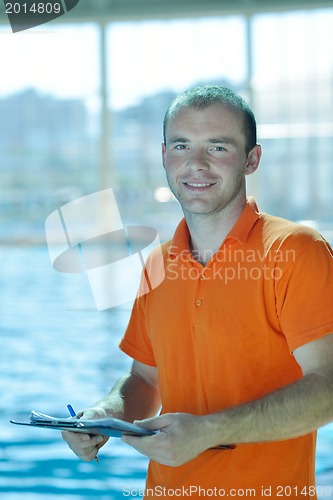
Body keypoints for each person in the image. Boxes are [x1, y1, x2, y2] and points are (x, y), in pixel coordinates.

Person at [62, 85, 333, 498]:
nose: (196, 164)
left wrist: (208, 431)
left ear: (251, 159)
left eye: (218, 147)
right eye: (182, 145)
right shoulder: (158, 263)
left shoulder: (295, 251)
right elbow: (145, 380)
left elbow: (328, 387)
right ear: (164, 156)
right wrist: (104, 416)